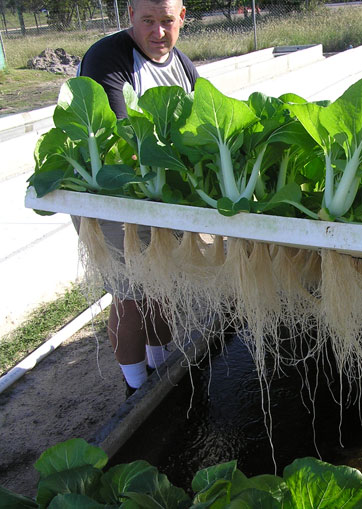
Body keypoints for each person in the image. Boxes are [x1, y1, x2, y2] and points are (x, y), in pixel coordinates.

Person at [77, 0, 198, 396]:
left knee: (161, 284)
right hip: (108, 193)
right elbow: (125, 146)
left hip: (153, 192)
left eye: (167, 21)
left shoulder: (183, 66)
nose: (158, 33)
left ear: (182, 17)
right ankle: (134, 390)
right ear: (130, 15)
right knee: (130, 295)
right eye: (148, 21)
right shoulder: (107, 59)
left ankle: (158, 373)